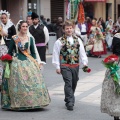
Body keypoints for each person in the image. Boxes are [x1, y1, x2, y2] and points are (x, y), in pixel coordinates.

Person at [1, 20, 50, 110]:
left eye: (26, 26)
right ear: (19, 27)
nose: (25, 28)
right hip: (16, 63)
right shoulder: (14, 38)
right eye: (23, 26)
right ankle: (19, 102)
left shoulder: (30, 38)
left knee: (33, 81)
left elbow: (33, 52)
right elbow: (10, 52)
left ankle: (34, 102)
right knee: (18, 82)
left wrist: (36, 62)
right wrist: (7, 61)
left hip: (29, 61)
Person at [52, 20, 88, 111]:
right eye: (67, 28)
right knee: (68, 82)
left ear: (73, 29)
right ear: (64, 30)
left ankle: (68, 97)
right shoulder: (59, 41)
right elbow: (55, 54)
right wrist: (57, 66)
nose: (69, 30)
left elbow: (82, 52)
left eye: (70, 28)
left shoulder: (78, 39)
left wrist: (84, 63)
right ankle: (70, 102)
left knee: (74, 83)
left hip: (75, 65)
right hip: (65, 65)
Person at [101, 29, 120, 120]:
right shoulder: (117, 36)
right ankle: (116, 113)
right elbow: (116, 52)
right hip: (117, 64)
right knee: (115, 89)